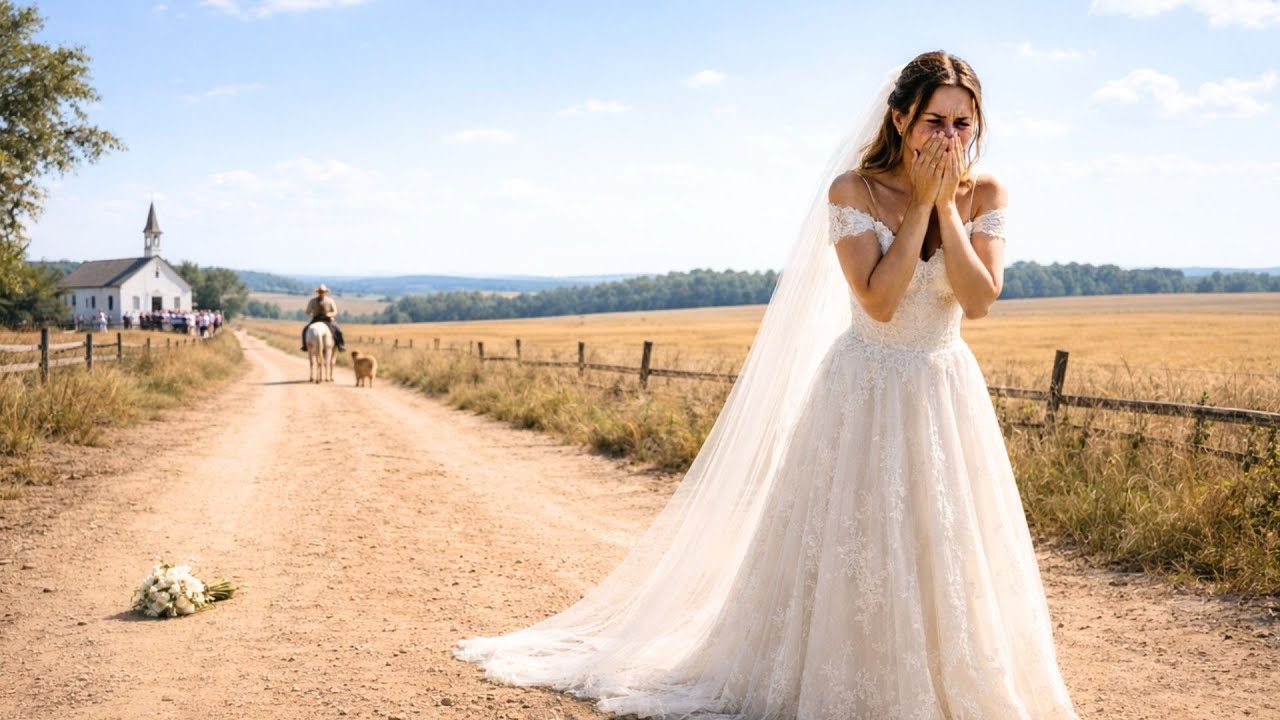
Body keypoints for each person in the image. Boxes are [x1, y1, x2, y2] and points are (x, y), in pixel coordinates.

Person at [455, 51, 1078, 718]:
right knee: (857, 538)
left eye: (962, 123)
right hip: (863, 388)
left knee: (946, 541)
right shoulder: (854, 192)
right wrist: (921, 201)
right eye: (935, 121)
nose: (949, 138)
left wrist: (946, 210)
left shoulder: (986, 194)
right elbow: (880, 301)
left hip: (944, 391)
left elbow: (978, 301)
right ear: (900, 119)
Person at [301, 284, 345, 352]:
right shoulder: (313, 301)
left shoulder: (330, 301)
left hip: (327, 319)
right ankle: (305, 345)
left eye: (323, 291)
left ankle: (340, 345)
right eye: (320, 291)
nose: (321, 293)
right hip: (316, 319)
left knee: (337, 330)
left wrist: (329, 314)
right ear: (318, 292)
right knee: (305, 329)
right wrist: (313, 314)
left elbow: (335, 311)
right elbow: (307, 311)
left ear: (326, 292)